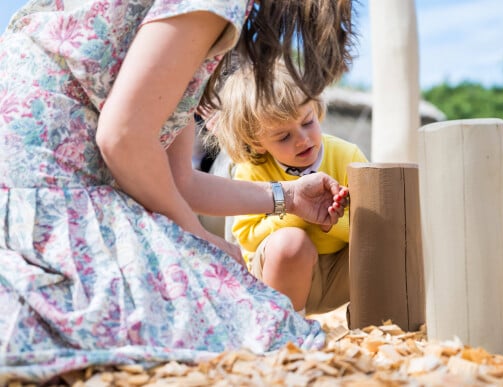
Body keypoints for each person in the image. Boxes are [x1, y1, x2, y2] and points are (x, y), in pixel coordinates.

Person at [0, 0, 355, 382]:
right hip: (50, 199)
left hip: (44, 195)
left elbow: (177, 181)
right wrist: (198, 239)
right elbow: (122, 139)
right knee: (248, 331)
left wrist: (288, 197)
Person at [211, 61, 368, 317]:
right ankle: (286, 326)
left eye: (307, 123)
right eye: (283, 137)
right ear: (257, 142)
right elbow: (247, 234)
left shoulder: (346, 155)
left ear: (315, 109)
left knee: (386, 239)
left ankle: (376, 324)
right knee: (290, 244)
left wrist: (331, 223)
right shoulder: (253, 170)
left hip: (340, 273)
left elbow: (371, 228)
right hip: (279, 280)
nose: (302, 140)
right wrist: (294, 212)